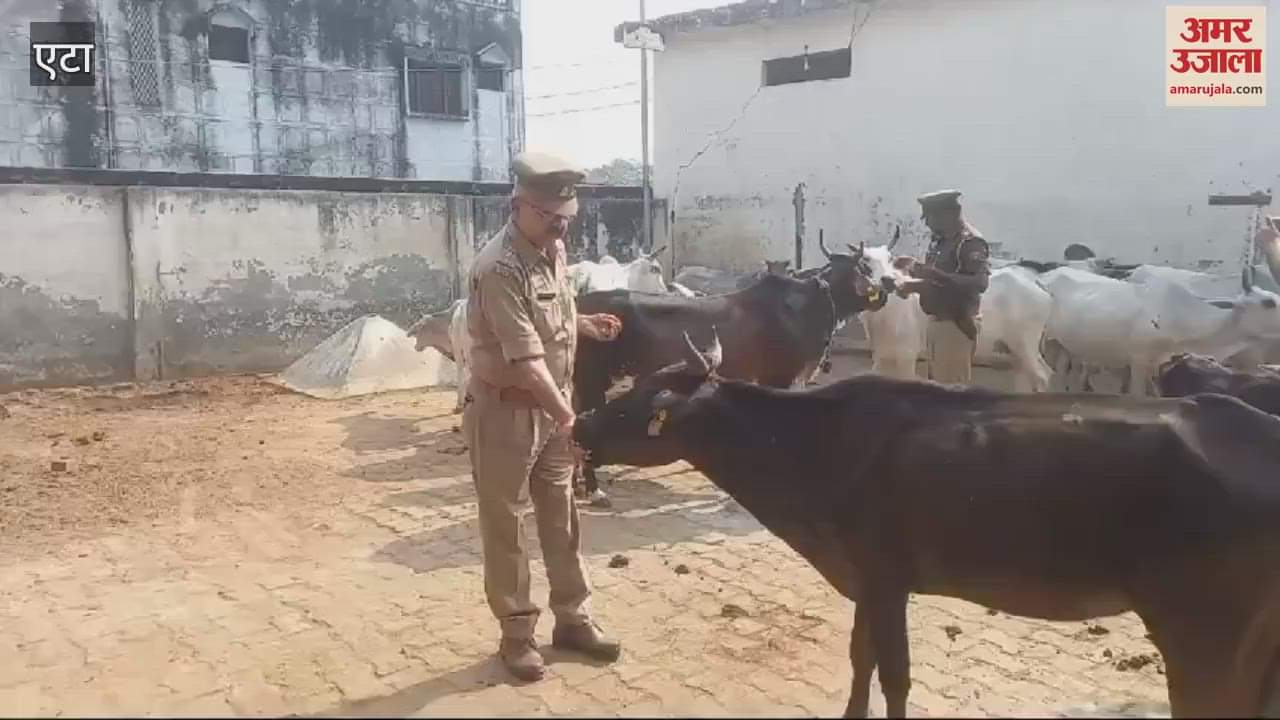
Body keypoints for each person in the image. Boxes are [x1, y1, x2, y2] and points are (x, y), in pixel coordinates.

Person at [462, 150, 624, 682]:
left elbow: (550, 319)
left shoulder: (550, 248)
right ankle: (516, 635)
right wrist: (569, 418)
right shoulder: (499, 267)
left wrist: (585, 325)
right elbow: (527, 360)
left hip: (551, 411)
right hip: (505, 414)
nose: (561, 227)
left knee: (562, 517)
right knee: (506, 524)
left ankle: (573, 620)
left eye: (566, 217)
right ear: (517, 205)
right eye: (550, 216)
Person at [894, 190, 991, 384]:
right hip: (936, 322)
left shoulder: (969, 242)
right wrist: (914, 269)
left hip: (956, 324)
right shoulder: (940, 241)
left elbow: (979, 283)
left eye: (930, 217)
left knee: (951, 389)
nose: (927, 224)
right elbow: (935, 282)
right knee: (938, 387)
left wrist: (935, 276)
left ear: (948, 215)